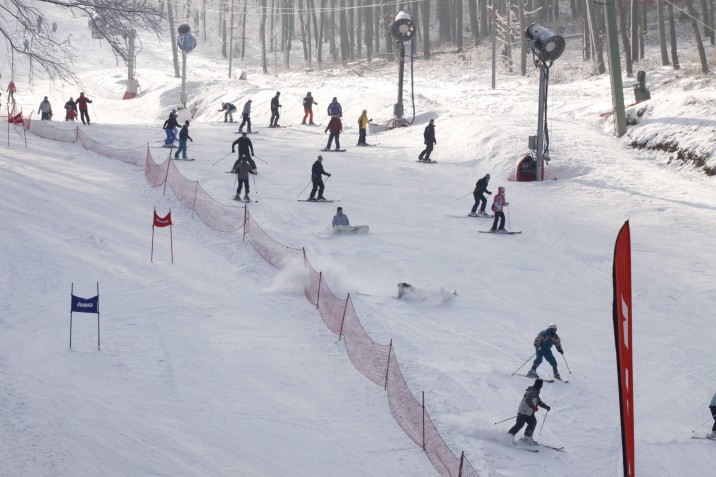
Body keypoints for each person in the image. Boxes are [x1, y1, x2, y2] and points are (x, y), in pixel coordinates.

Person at [507, 379, 551, 445]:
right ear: (536, 384)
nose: (540, 386)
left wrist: (546, 406)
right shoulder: (531, 392)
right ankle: (508, 437)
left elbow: (539, 402)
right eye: (539, 384)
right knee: (519, 425)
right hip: (523, 412)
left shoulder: (536, 392)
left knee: (533, 422)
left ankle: (527, 437)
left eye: (541, 385)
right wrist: (533, 407)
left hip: (529, 412)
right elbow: (528, 400)